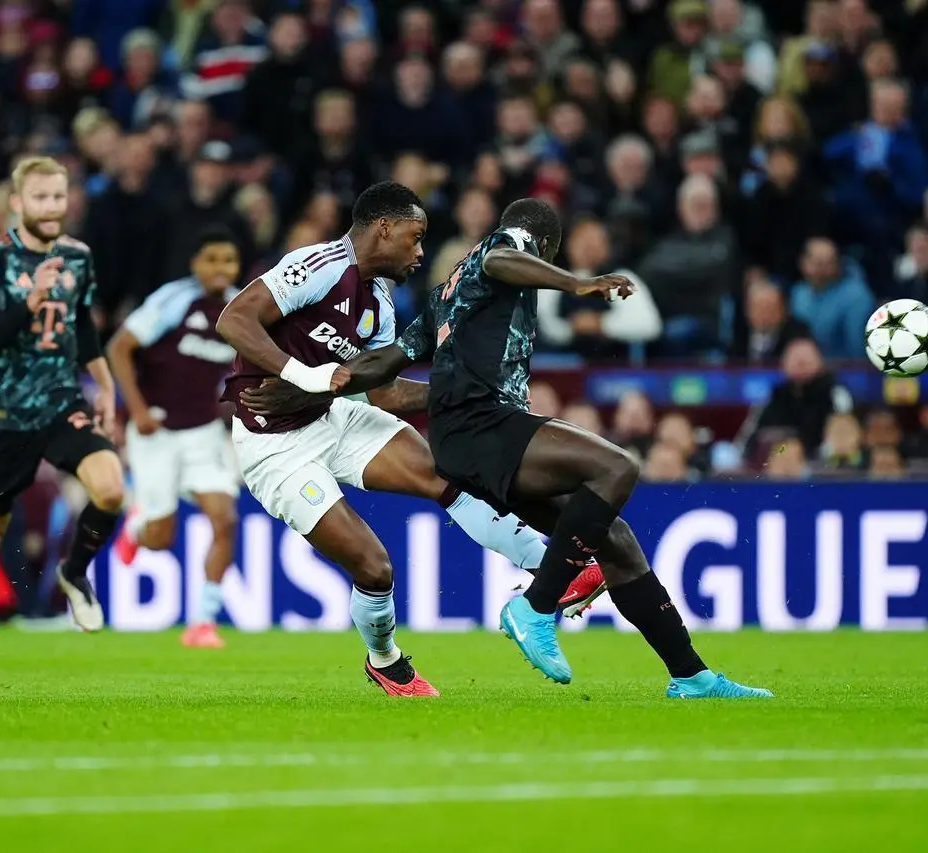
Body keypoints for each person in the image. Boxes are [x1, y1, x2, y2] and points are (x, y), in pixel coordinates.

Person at [256, 199, 770, 700]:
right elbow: (503, 256)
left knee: (617, 541)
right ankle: (537, 605)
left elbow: (388, 365)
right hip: (486, 428)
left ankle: (691, 676)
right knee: (617, 467)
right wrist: (577, 282)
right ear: (543, 246)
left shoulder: (445, 295)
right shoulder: (503, 249)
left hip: (467, 438)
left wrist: (316, 386)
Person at [216, 182, 600, 698]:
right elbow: (234, 318)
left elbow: (386, 395)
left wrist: (468, 392)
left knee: (446, 474)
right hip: (273, 446)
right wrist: (305, 377)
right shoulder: (319, 264)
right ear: (384, 228)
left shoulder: (379, 300)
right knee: (375, 569)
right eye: (415, 238)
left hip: (333, 421)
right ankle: (386, 660)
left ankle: (556, 569)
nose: (420, 253)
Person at [0, 157, 126, 669]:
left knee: (111, 487)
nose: (52, 207)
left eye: (58, 196)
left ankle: (75, 572)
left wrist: (105, 386)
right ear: (17, 203)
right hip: (6, 413)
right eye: (41, 198)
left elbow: (84, 329)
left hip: (60, 401)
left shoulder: (77, 256)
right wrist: (31, 298)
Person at [106, 226, 243, 649]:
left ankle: (203, 621)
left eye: (229, 260)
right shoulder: (174, 299)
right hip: (157, 430)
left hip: (202, 431)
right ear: (195, 264)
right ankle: (136, 529)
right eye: (212, 259)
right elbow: (118, 348)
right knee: (162, 538)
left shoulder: (243, 307)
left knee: (225, 519)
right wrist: (138, 410)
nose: (221, 269)